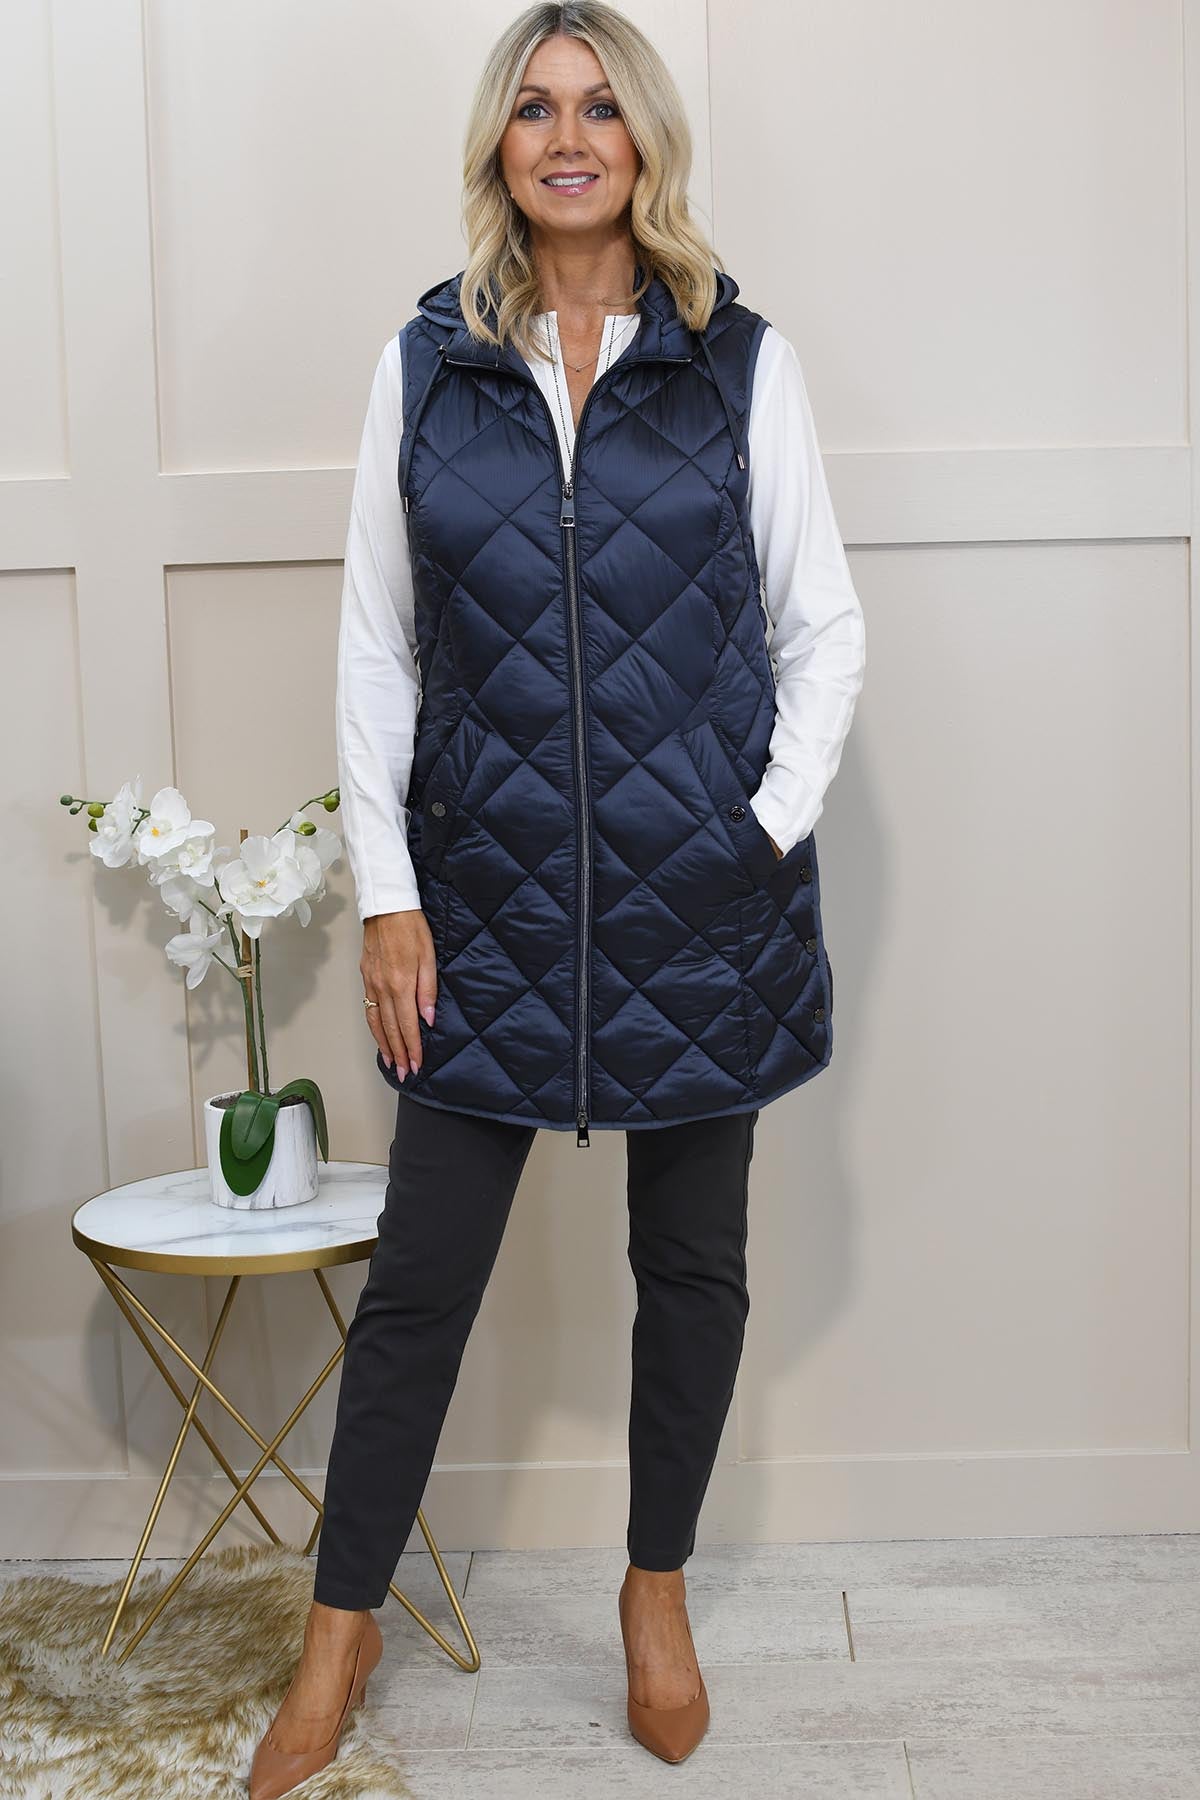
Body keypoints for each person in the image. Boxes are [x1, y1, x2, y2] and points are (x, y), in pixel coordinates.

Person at [249, 2, 865, 1793]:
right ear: (499, 148)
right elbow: (378, 646)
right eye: (535, 107)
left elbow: (821, 625)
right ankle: (338, 1631)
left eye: (600, 106)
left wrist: (756, 832)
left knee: (694, 1270)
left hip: (702, 901)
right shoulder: (427, 368)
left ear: (645, 139)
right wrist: (389, 892)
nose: (570, 136)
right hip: (482, 904)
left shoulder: (742, 362)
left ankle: (653, 1592)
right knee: (421, 1286)